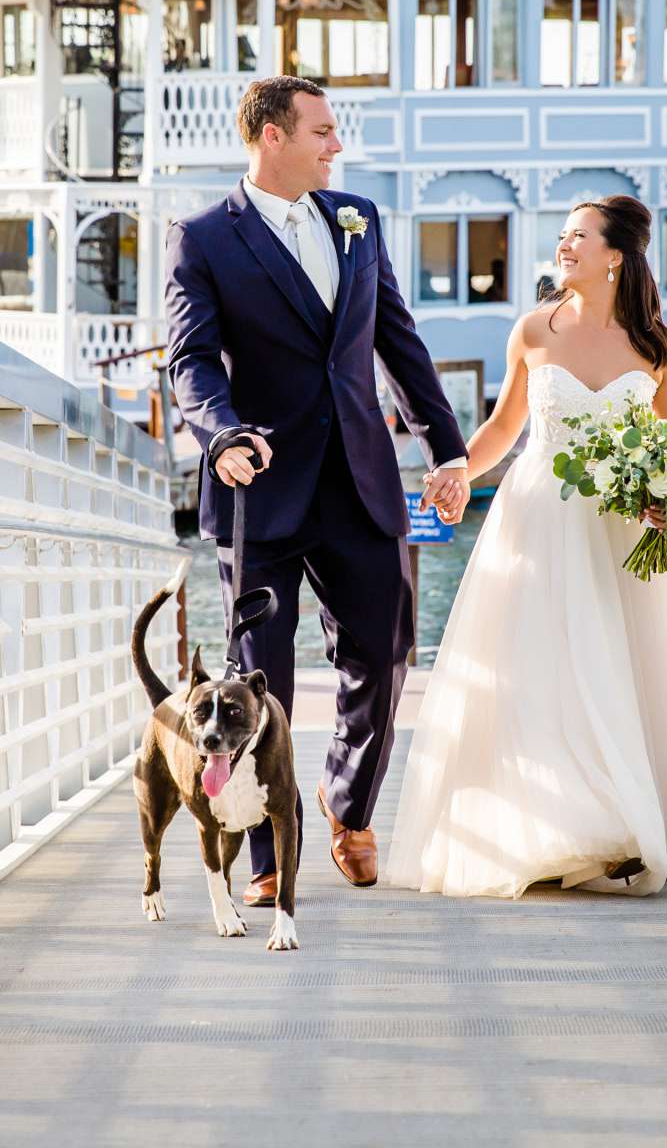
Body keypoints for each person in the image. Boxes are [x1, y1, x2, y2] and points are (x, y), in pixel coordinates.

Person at [381, 194, 667, 898]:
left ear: (616, 254)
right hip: (538, 518)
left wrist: (664, 499)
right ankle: (555, 827)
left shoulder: (658, 346)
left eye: (579, 236)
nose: (565, 246)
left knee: (616, 668)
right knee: (537, 669)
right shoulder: (534, 330)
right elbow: (501, 430)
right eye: (563, 235)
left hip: (620, 529)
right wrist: (458, 471)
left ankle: (623, 821)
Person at [163, 76, 470, 906]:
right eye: (323, 131)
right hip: (257, 485)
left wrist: (448, 448)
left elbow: (395, 338)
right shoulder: (201, 238)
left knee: (386, 647)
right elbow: (189, 359)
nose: (337, 147)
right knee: (259, 675)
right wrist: (220, 433)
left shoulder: (356, 218)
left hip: (362, 479)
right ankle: (268, 852)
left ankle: (347, 803)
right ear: (272, 137)